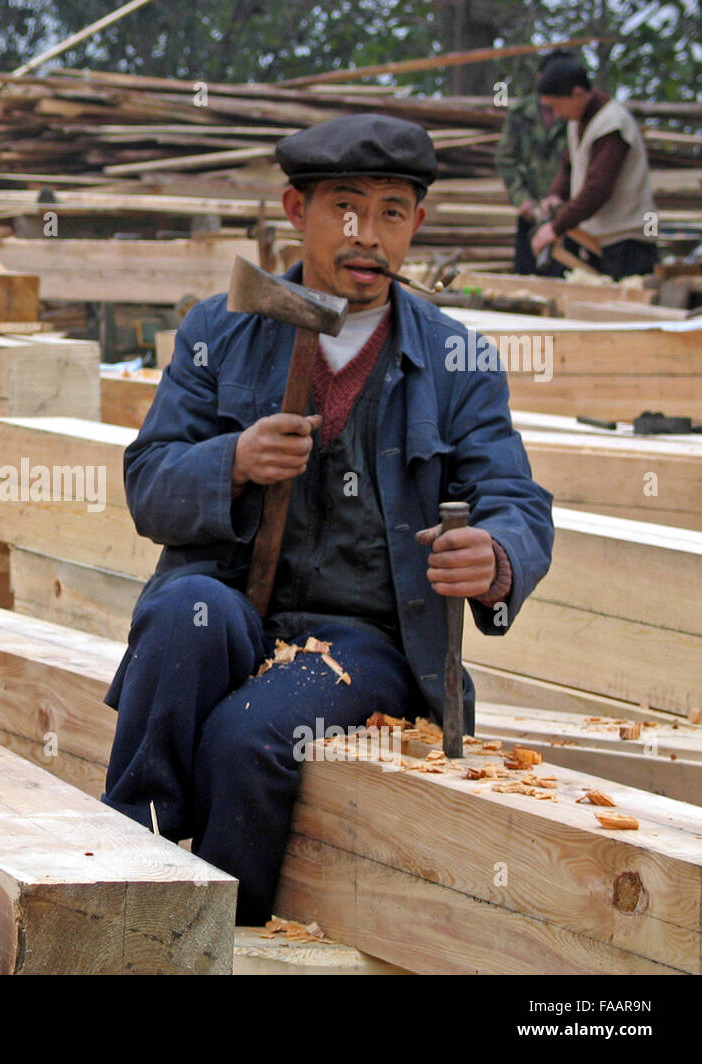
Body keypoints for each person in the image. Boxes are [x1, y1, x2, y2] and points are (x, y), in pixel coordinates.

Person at [102, 113, 555, 924]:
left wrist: (496, 555)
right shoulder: (219, 332)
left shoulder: (458, 360)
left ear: (416, 224)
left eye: (390, 211)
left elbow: (516, 502)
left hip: (369, 644)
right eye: (343, 208)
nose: (366, 235)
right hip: (233, 607)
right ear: (293, 212)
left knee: (246, 737)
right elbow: (148, 484)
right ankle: (126, 882)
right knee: (178, 618)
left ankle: (224, 933)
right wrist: (232, 461)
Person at [530, 57, 659, 279]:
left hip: (627, 241)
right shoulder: (577, 121)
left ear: (578, 94)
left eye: (557, 106)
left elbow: (598, 188)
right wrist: (555, 196)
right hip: (598, 239)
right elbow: (569, 166)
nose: (557, 114)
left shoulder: (611, 124)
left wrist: (554, 228)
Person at [497, 53, 569, 276]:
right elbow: (505, 159)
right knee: (526, 280)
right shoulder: (521, 114)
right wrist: (522, 201)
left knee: (566, 279)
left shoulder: (574, 116)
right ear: (540, 78)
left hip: (567, 219)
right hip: (530, 215)